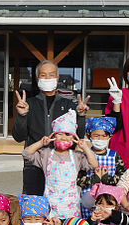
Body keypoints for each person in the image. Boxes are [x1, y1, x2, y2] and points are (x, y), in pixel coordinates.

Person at [12, 60, 90, 195]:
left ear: (57, 78)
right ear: (37, 79)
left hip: (62, 165)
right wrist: (22, 115)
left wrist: (81, 116)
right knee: (34, 209)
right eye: (43, 75)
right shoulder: (29, 104)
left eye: (51, 75)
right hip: (35, 163)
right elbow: (19, 137)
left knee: (60, 207)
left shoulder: (69, 105)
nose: (47, 78)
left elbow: (79, 135)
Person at [22, 110, 98, 219]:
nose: (63, 137)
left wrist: (85, 147)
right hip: (50, 204)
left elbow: (94, 165)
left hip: (71, 206)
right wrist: (41, 143)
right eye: (59, 134)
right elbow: (26, 154)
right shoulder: (46, 154)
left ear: (73, 138)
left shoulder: (77, 156)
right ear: (53, 136)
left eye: (68, 134)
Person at [78, 116, 126, 219]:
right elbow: (78, 178)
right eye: (96, 135)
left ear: (110, 137)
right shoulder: (84, 155)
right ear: (89, 135)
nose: (100, 139)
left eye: (104, 136)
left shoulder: (114, 155)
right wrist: (95, 179)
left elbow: (123, 176)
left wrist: (107, 179)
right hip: (88, 202)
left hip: (109, 202)